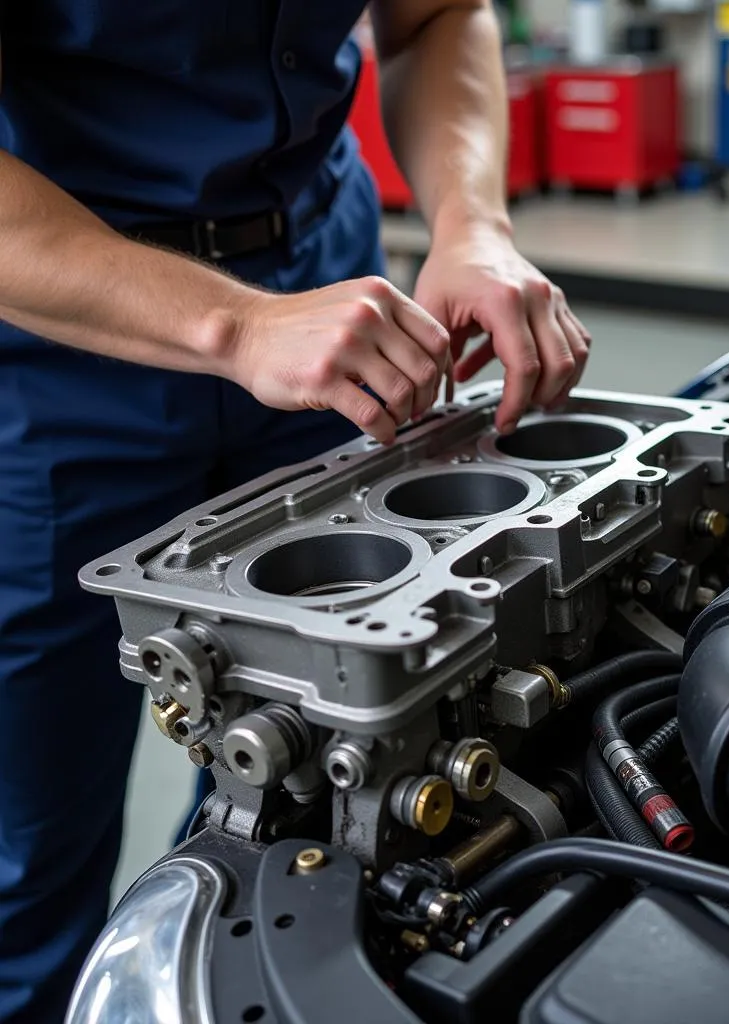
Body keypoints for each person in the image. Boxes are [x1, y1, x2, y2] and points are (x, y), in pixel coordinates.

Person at [0, 2, 591, 1020]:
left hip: (329, 312)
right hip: (63, 355)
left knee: (305, 805)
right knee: (25, 851)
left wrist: (472, 223)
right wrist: (232, 323)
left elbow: (437, 15)